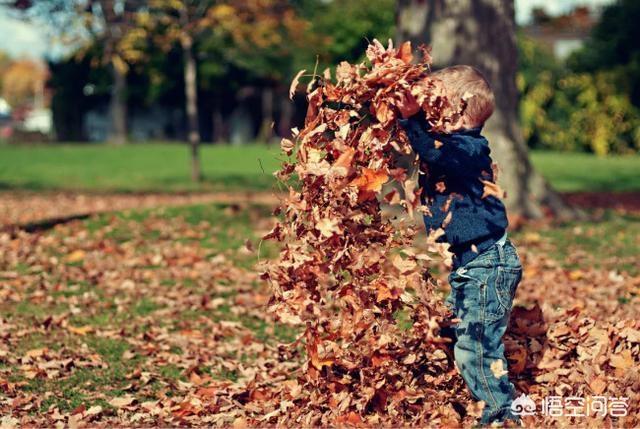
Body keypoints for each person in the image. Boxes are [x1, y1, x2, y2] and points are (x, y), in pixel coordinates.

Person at [399, 65, 523, 425]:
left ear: (453, 111)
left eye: (432, 107)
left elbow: (435, 152)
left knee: (477, 348)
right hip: (472, 266)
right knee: (452, 328)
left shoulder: (468, 149)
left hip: (488, 265)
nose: (425, 114)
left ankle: (501, 415)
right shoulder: (452, 146)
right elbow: (427, 146)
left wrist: (412, 122)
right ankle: (459, 388)